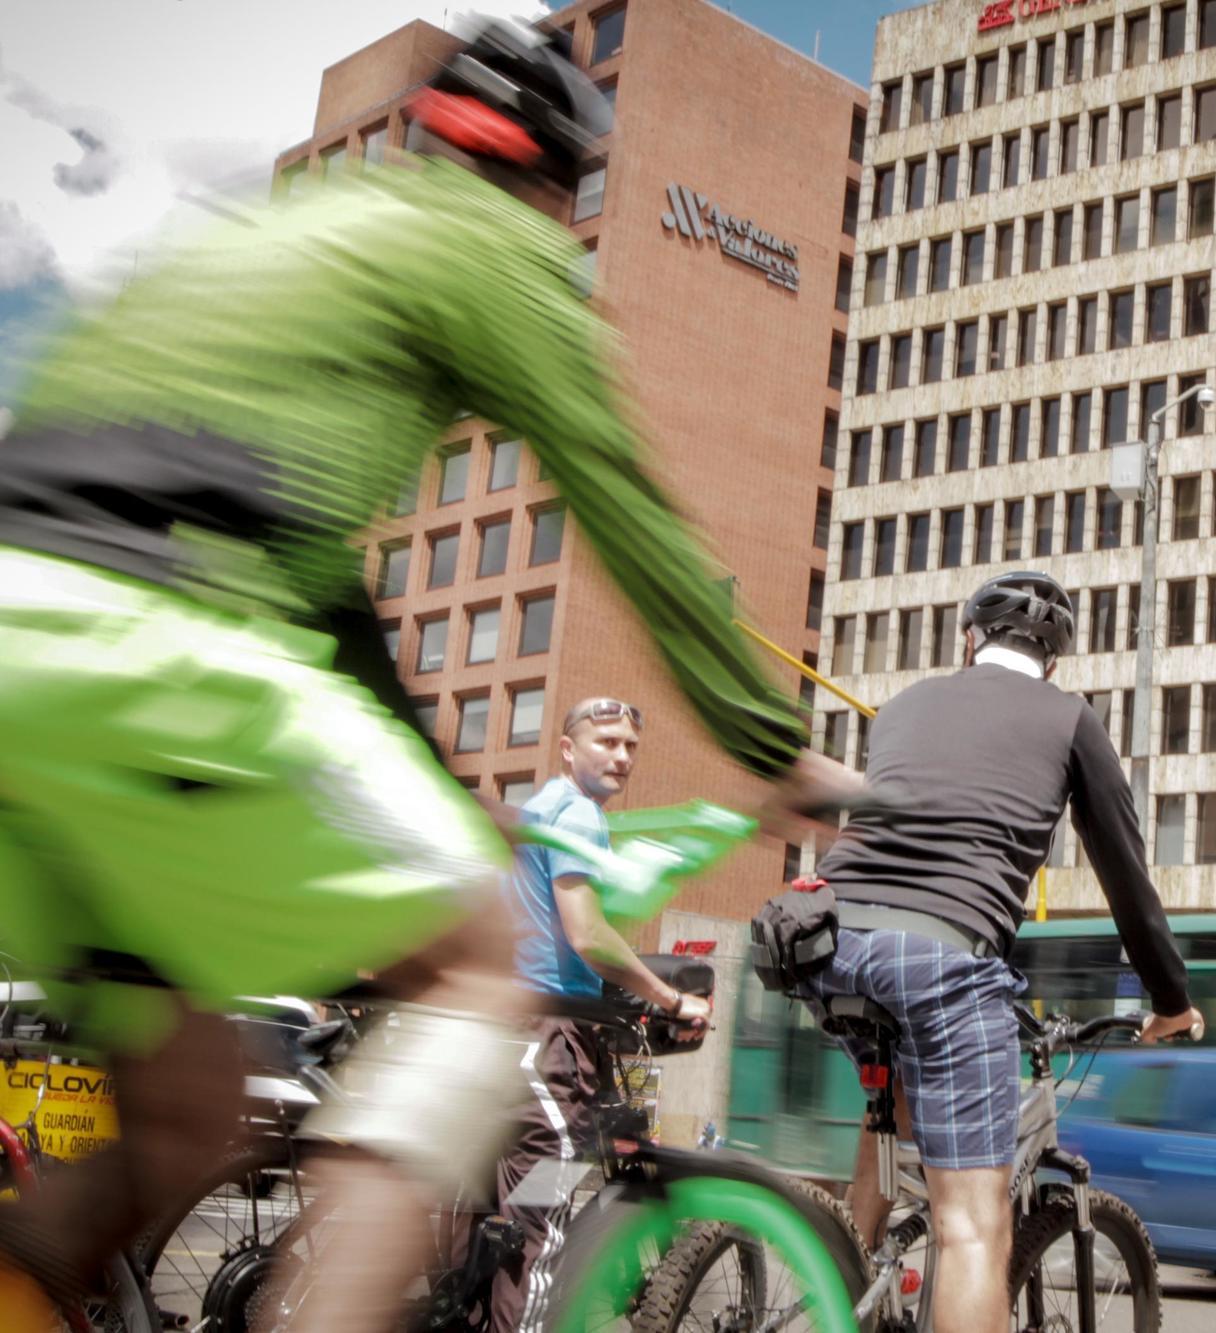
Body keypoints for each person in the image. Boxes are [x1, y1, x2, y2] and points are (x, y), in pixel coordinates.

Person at [0, 17, 858, 1328]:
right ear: (555, 179)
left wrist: (450, 793)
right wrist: (765, 741)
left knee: (178, 1114)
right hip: (155, 639)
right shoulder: (489, 252)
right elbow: (621, 496)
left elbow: (326, 600)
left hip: (31, 649)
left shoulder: (281, 246)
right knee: (477, 959)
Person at [801, 571, 1202, 1333]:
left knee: (897, 1098)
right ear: (1054, 661)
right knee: (974, 1227)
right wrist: (1170, 998)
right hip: (942, 955)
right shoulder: (1069, 717)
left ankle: (849, 1282)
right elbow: (1125, 872)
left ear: (969, 638)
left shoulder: (906, 703)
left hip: (829, 943)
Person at [489, 697, 714, 1333]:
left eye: (630, 746)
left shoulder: (537, 809)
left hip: (509, 1030)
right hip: (551, 1037)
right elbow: (587, 935)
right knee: (539, 1222)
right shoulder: (579, 815)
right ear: (567, 749)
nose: (620, 756)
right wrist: (671, 998)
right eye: (605, 742)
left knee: (498, 1210)